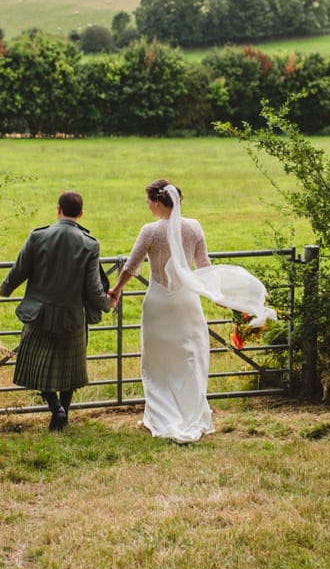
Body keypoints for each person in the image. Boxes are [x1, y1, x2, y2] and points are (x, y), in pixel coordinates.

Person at [108, 179, 277, 443]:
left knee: (157, 362)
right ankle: (190, 412)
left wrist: (116, 290)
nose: (147, 207)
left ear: (157, 202)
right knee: (189, 359)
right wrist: (217, 295)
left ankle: (161, 415)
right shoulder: (194, 227)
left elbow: (131, 266)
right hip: (186, 302)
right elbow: (204, 266)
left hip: (158, 303)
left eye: (148, 202)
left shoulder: (150, 231)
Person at [0, 190, 111, 430]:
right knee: (69, 370)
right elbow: (93, 287)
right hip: (72, 317)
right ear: (81, 213)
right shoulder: (90, 244)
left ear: (58, 209)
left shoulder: (38, 236)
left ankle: (55, 408)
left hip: (38, 315)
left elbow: (19, 270)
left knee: (40, 366)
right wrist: (106, 303)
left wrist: (5, 289)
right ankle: (63, 414)